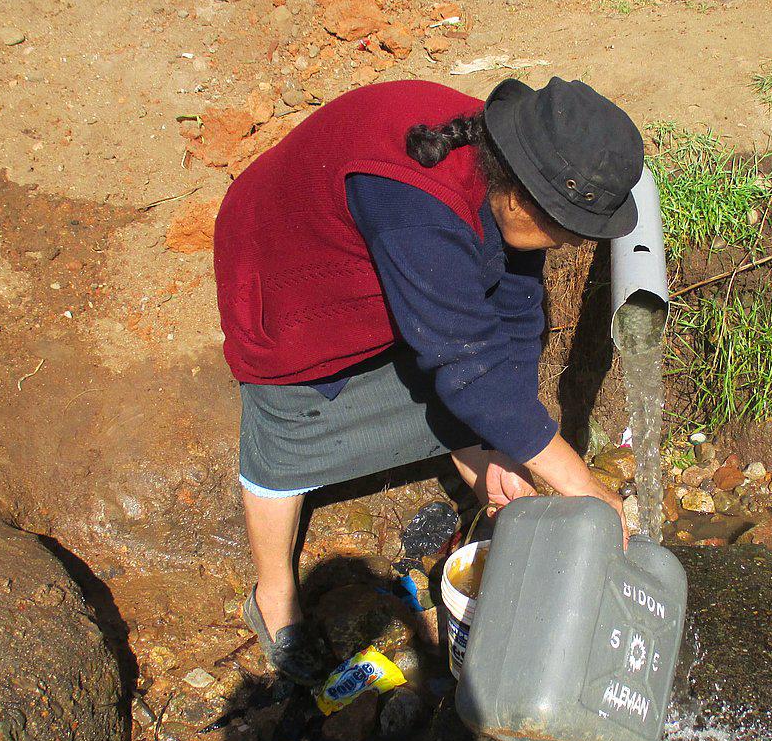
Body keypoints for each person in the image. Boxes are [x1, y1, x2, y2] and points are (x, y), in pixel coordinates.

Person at [213, 77, 644, 685]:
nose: (574, 242)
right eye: (568, 227)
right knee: (291, 426)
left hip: (384, 250)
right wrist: (587, 489)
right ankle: (275, 598)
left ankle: (484, 442)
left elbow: (517, 307)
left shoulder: (512, 168)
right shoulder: (415, 200)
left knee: (462, 377)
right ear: (522, 200)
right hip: (287, 264)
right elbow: (467, 364)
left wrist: (503, 444)